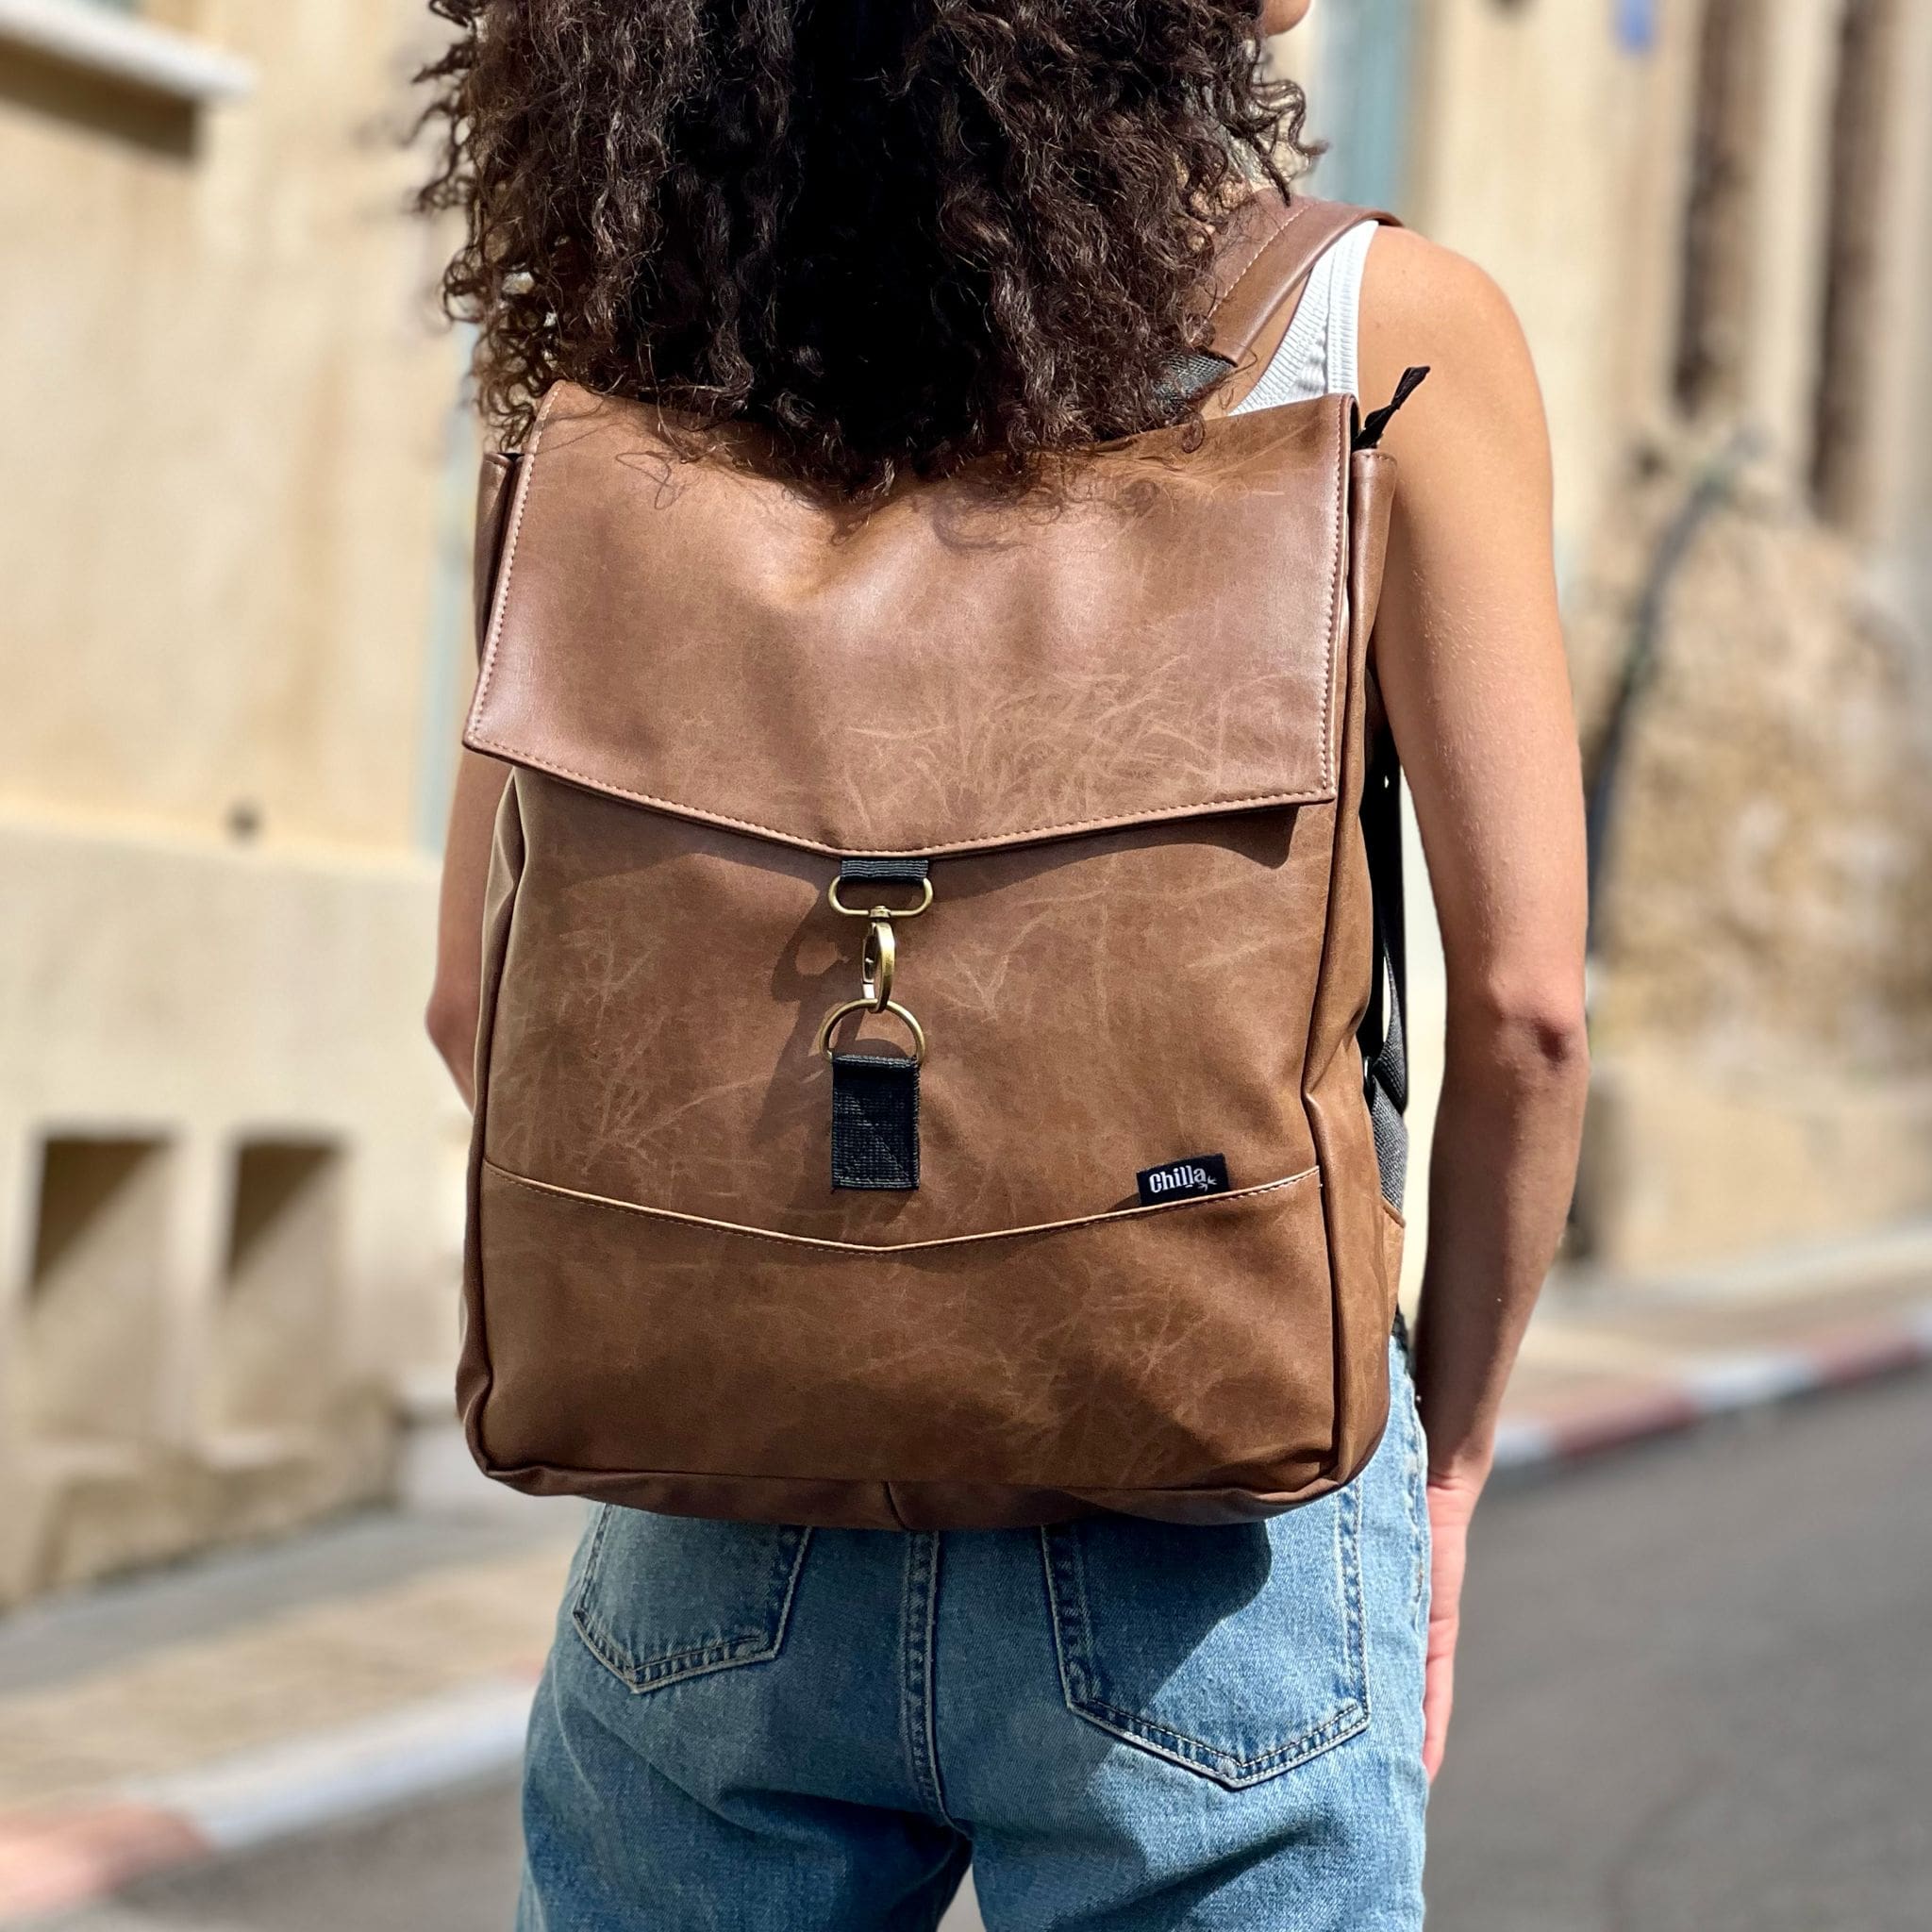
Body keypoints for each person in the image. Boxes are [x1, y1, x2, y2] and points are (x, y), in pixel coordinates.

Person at [421, 2, 1589, 1924]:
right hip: (1206, 1499)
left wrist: (812, 1266)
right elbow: (1531, 1015)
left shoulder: (653, 325)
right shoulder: (1382, 330)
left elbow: (481, 998)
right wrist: (1445, 1467)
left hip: (726, 1492)